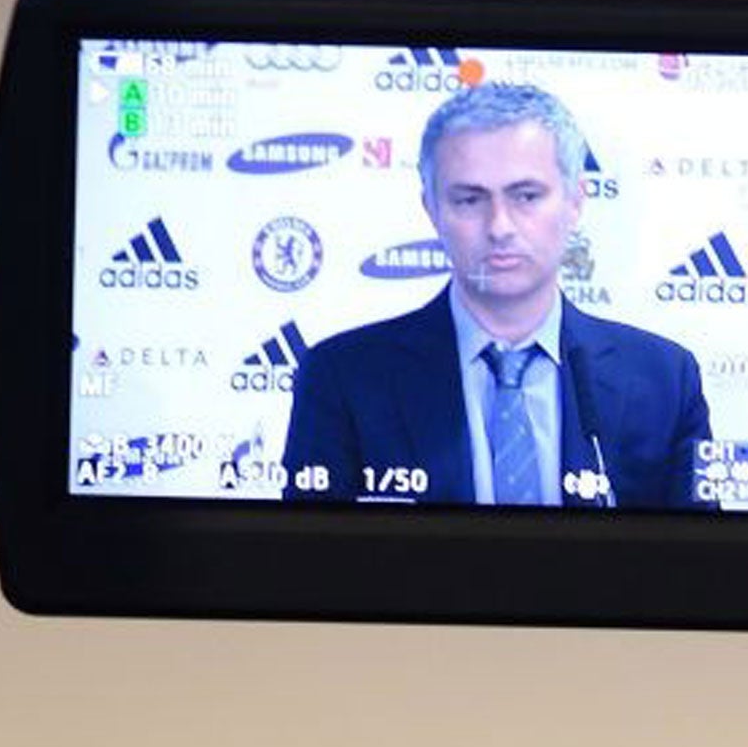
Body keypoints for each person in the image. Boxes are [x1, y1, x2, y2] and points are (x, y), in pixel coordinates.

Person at [282, 82, 710, 508]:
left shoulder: (664, 379)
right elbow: (310, 561)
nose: (500, 226)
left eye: (526, 196)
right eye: (469, 200)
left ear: (575, 202)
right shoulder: (343, 376)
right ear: (431, 209)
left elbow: (702, 565)